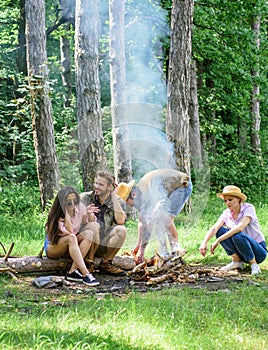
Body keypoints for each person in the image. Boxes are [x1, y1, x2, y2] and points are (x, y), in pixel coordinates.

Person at [117, 168, 193, 264]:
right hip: (167, 191)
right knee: (157, 219)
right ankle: (164, 253)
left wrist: (153, 216)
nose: (129, 205)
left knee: (164, 218)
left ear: (133, 194)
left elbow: (161, 201)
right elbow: (141, 222)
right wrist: (139, 246)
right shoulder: (139, 196)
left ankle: (175, 249)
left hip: (181, 186)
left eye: (128, 202)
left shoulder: (149, 188)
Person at [199, 185, 267, 275]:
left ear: (238, 199)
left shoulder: (248, 208)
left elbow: (240, 227)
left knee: (237, 234)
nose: (227, 203)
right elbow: (215, 228)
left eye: (230, 200)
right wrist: (204, 242)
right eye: (225, 200)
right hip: (241, 250)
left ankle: (254, 264)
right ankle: (237, 262)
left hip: (258, 251)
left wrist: (218, 240)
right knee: (220, 231)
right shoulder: (226, 213)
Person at [44, 186, 100, 286]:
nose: (73, 204)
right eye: (69, 201)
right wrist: (66, 214)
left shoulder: (79, 207)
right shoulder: (57, 215)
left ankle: (73, 271)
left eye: (75, 200)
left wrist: (89, 213)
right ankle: (85, 273)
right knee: (72, 237)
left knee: (90, 232)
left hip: (71, 244)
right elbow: (69, 232)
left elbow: (90, 221)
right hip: (54, 247)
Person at [80, 171, 127, 275]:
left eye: (101, 184)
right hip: (85, 244)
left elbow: (121, 221)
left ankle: (106, 263)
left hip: (103, 244)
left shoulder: (118, 201)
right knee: (94, 226)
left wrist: (114, 196)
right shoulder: (84, 198)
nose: (96, 186)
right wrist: (86, 214)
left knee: (121, 230)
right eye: (96, 183)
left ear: (110, 187)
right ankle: (89, 262)